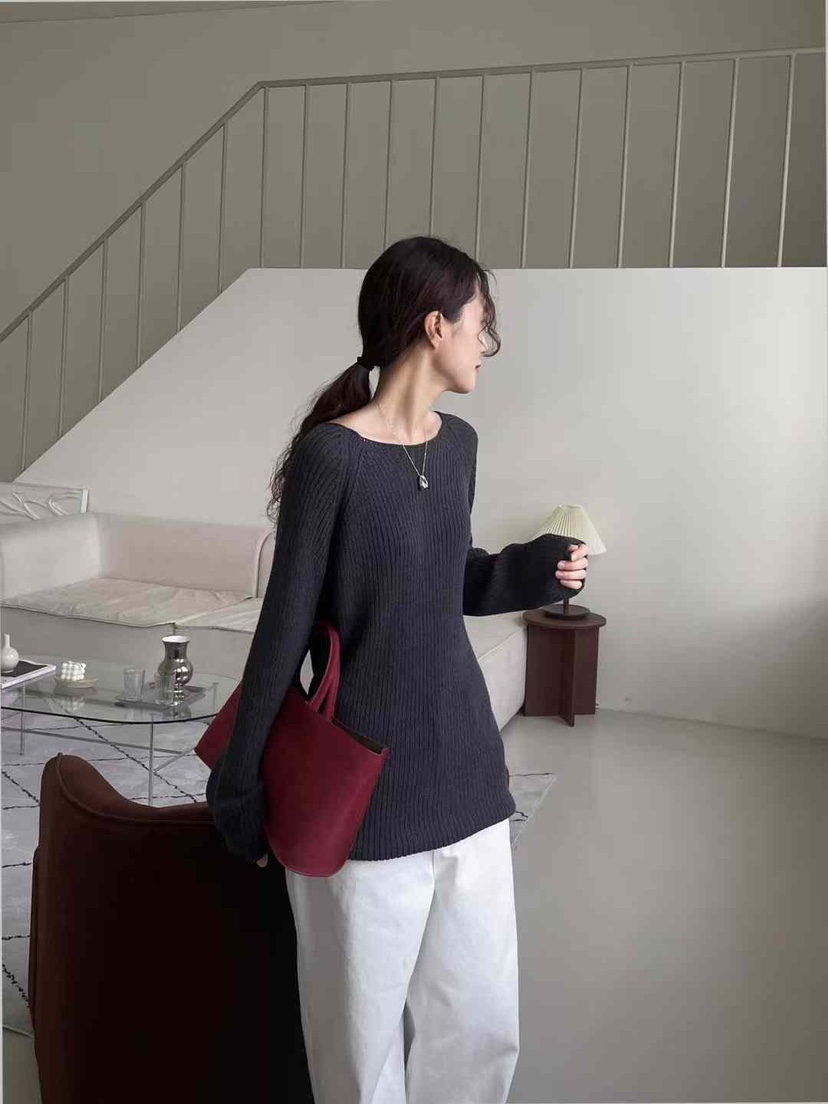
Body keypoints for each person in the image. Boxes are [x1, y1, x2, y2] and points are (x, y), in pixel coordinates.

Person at [205, 234, 589, 1104]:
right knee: (360, 1047)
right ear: (434, 325)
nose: (486, 343)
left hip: (468, 775)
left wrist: (534, 569)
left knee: (481, 1026)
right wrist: (239, 782)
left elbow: (448, 578)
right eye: (480, 323)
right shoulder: (332, 458)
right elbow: (285, 627)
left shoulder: (458, 447)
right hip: (364, 796)